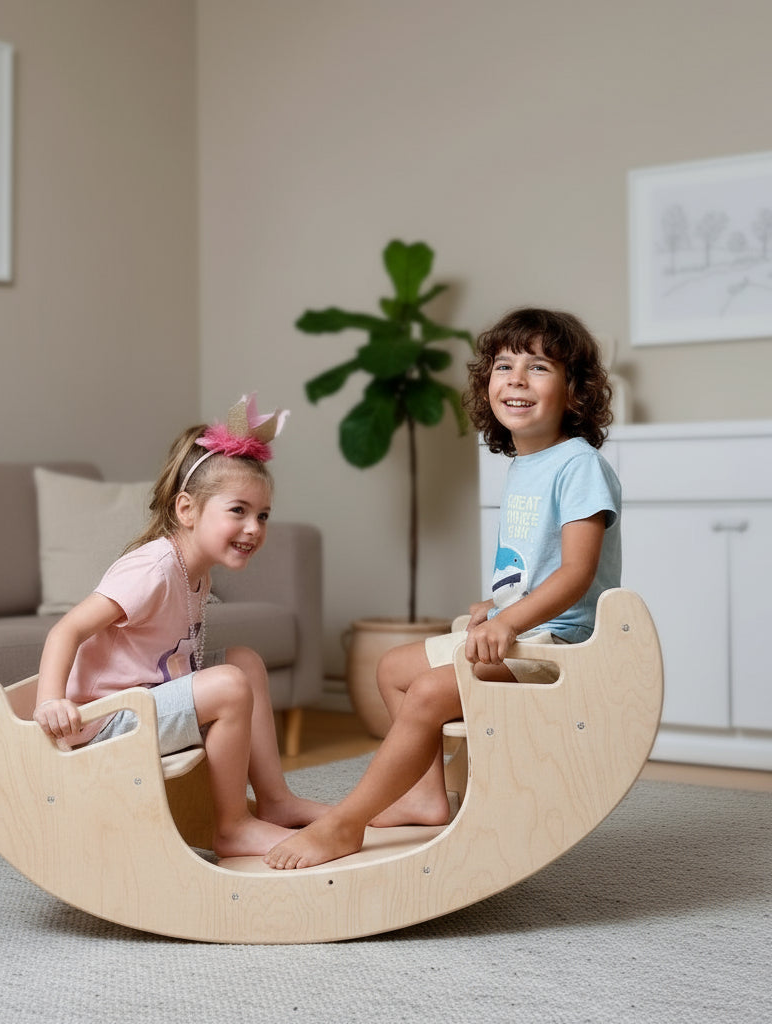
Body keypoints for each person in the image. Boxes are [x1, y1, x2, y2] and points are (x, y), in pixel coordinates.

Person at [264, 307, 620, 869]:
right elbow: (536, 564)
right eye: (504, 366)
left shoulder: (578, 465)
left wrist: (509, 620)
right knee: (392, 668)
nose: (517, 380)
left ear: (575, 391)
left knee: (430, 691)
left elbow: (576, 573)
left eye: (538, 367)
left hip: (558, 647)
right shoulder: (526, 465)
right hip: (522, 631)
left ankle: (345, 824)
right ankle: (424, 797)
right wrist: (498, 604)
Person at [34, 394, 328, 859]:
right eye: (238, 511)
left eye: (262, 515)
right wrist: (51, 701)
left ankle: (275, 801)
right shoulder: (153, 570)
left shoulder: (196, 572)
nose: (254, 527)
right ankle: (232, 828)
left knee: (245, 662)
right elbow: (65, 630)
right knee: (230, 685)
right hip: (107, 723)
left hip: (147, 700)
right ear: (187, 510)